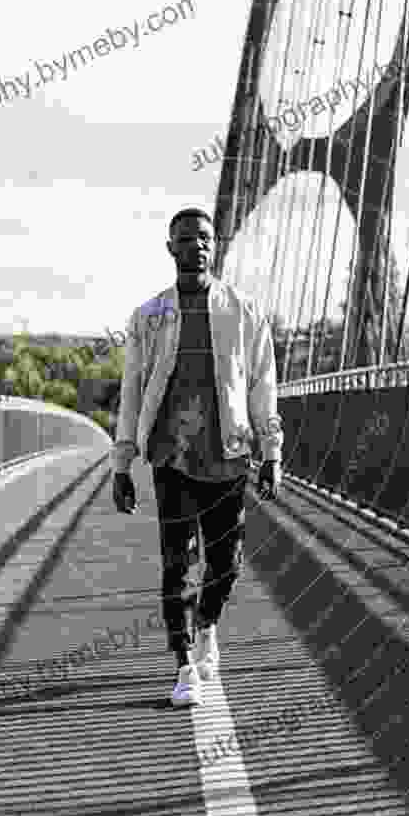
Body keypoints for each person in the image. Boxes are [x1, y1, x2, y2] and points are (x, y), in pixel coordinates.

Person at [111, 207, 283, 706]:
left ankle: (207, 623)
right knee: (176, 565)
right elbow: (132, 392)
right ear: (171, 248)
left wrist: (271, 452)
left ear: (216, 244)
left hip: (229, 457)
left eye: (205, 238)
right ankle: (184, 665)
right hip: (171, 459)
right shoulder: (149, 317)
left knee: (225, 565)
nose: (197, 246)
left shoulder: (244, 312)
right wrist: (121, 465)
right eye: (186, 239)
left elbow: (262, 386)